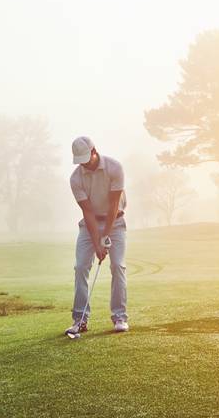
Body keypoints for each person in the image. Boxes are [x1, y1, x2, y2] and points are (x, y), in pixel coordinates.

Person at [67, 135, 128, 337]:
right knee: (81, 266)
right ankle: (80, 320)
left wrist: (105, 237)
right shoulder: (76, 178)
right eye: (80, 160)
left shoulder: (114, 168)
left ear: (94, 151)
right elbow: (88, 213)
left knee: (117, 265)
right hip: (89, 224)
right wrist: (97, 241)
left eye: (87, 158)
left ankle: (120, 317)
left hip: (115, 221)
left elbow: (112, 206)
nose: (85, 164)